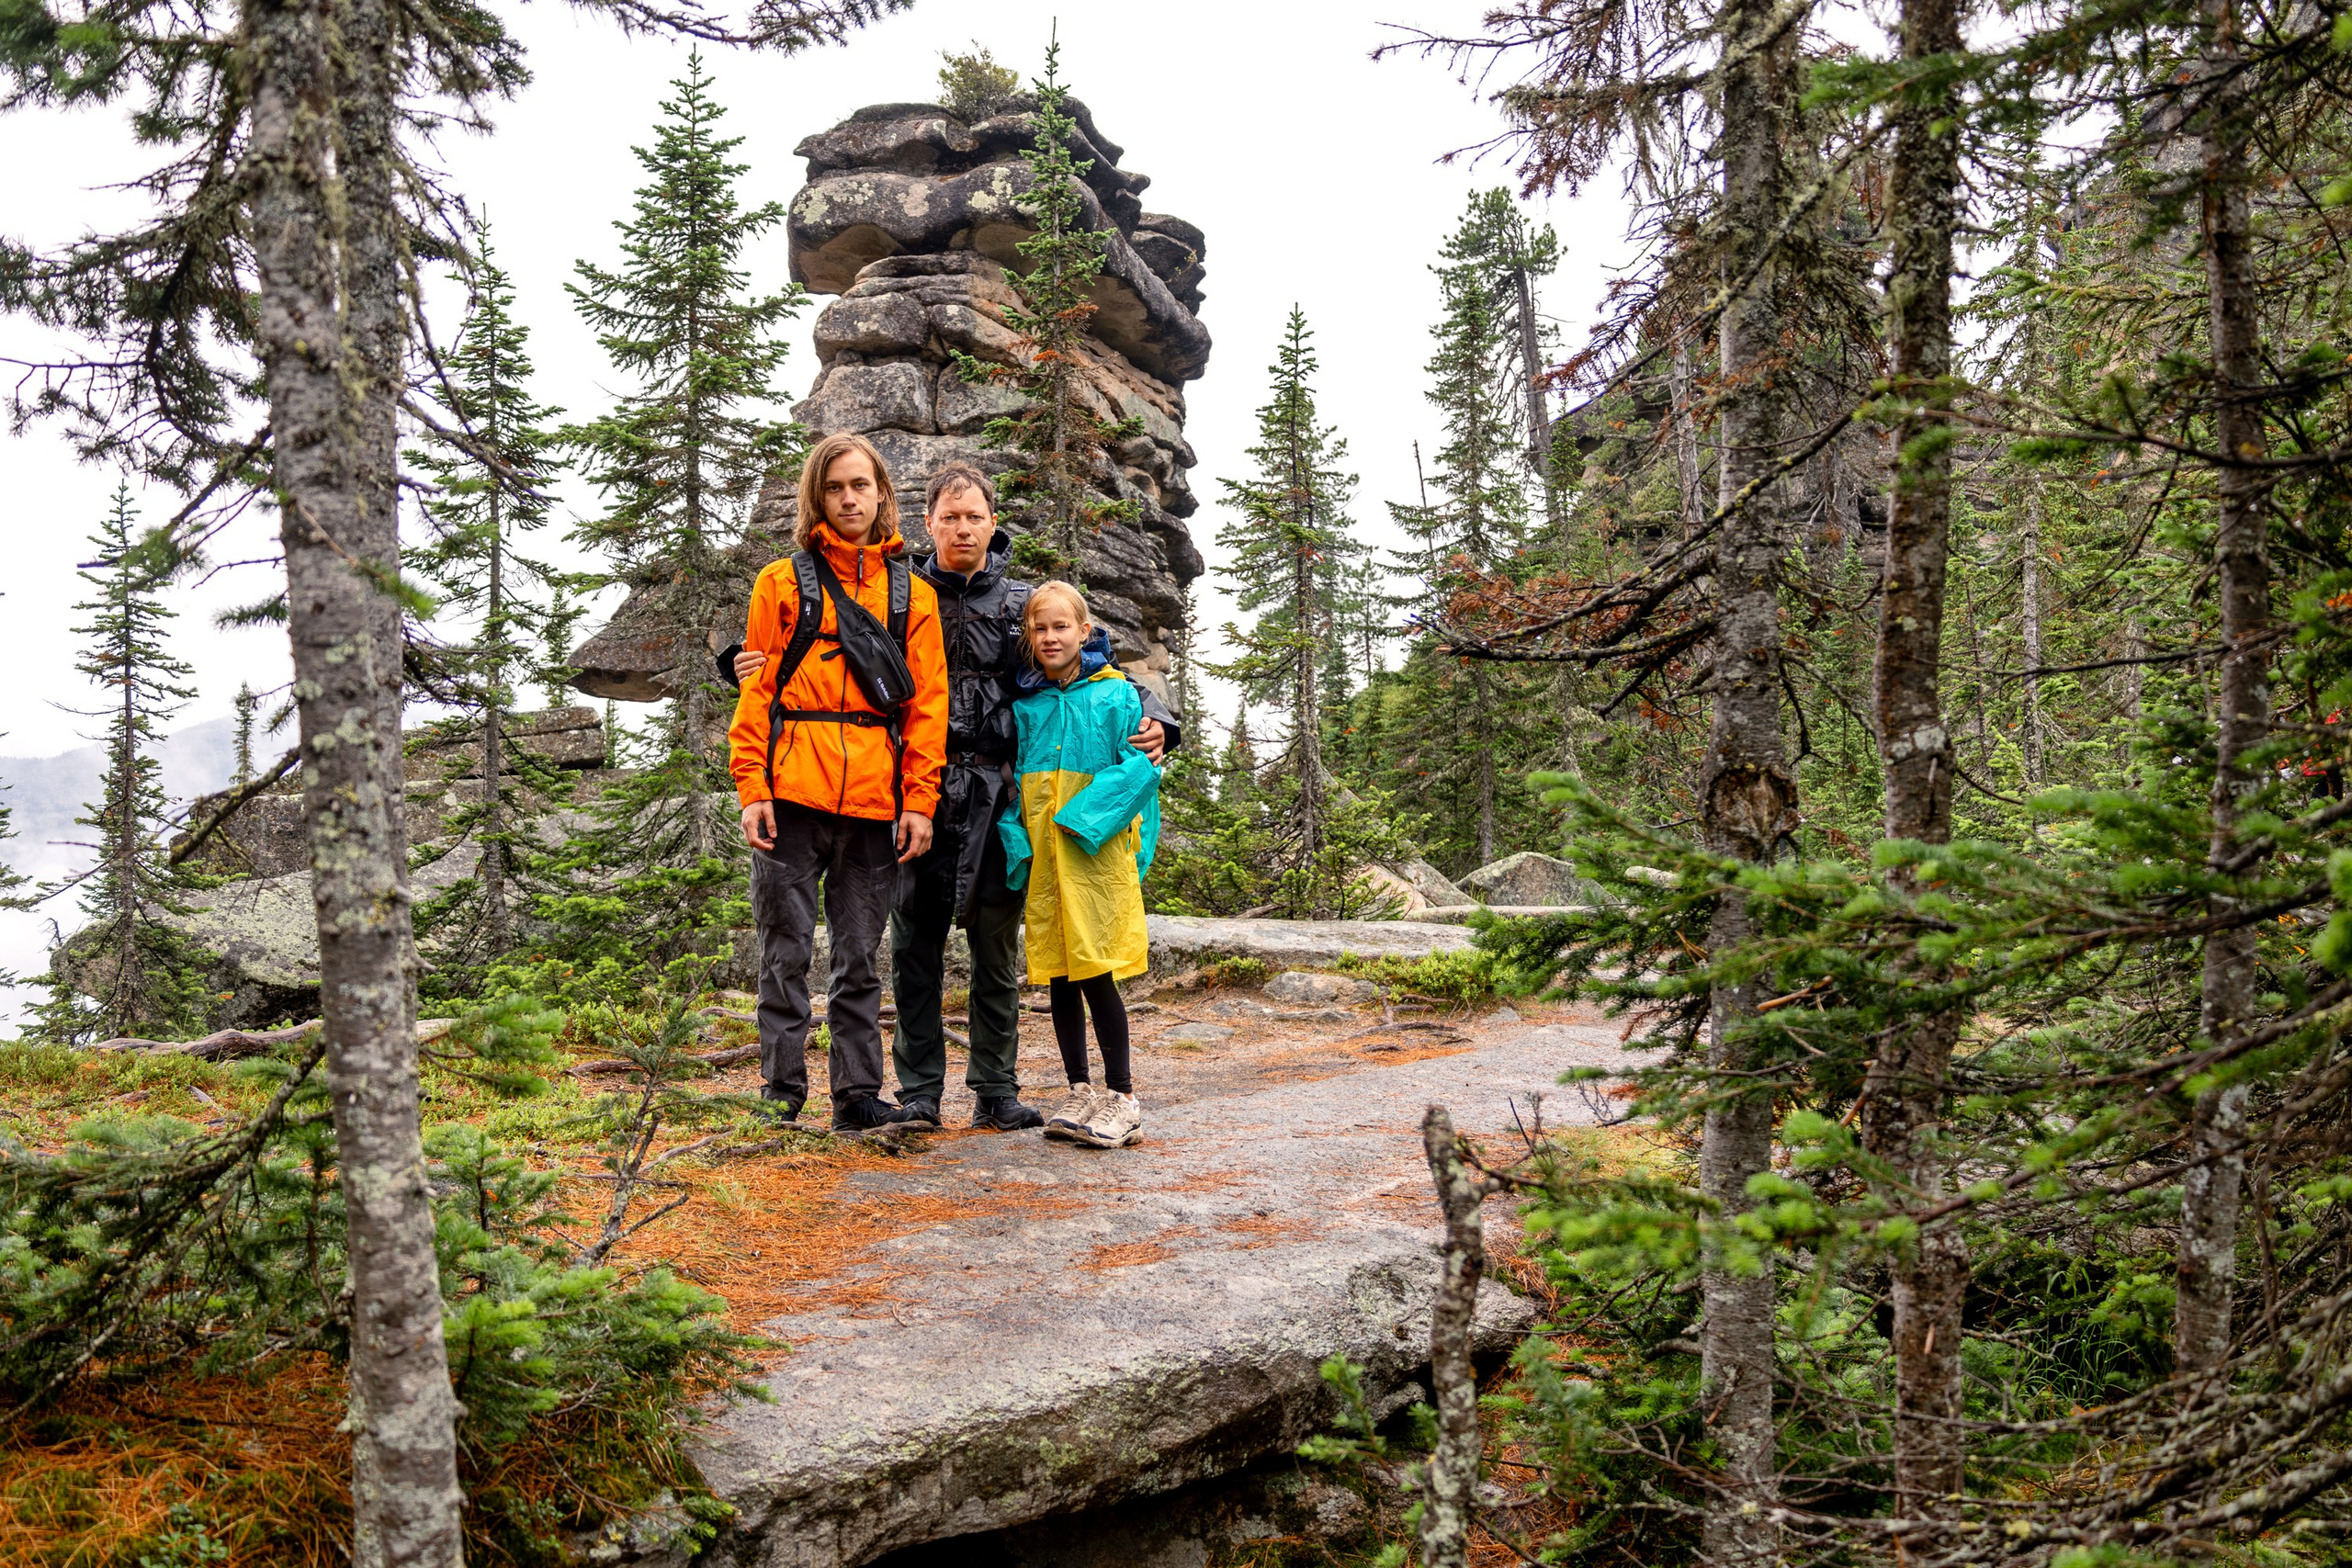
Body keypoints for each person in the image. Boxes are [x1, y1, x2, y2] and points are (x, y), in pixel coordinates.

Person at [719, 463, 1182, 1132]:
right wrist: (737, 658)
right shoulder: (903, 589)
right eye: (949, 517)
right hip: (917, 785)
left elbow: (1087, 659)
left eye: (974, 517)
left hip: (997, 790)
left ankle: (995, 1087)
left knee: (996, 943)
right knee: (913, 943)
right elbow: (816, 657)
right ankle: (921, 1091)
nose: (962, 528)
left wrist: (1156, 713)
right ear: (927, 521)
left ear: (994, 523)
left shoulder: (1020, 601)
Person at [725, 432, 948, 1133]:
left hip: (876, 799)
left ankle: (856, 1097)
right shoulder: (781, 582)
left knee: (858, 955)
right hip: (790, 794)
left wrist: (920, 802)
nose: (849, 498)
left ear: (883, 492)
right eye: (835, 487)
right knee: (784, 951)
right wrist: (752, 788)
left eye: (861, 485)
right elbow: (757, 695)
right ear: (816, 496)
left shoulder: (912, 593)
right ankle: (779, 1095)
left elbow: (926, 708)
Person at [1002, 581, 1160, 1150]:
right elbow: (1012, 792)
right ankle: (1079, 1089)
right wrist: (1019, 845)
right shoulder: (1026, 708)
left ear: (1085, 632)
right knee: (1060, 976)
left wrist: (1083, 819)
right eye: (1040, 628)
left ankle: (1123, 1098)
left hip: (1095, 859)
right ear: (1028, 636)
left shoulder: (1119, 697)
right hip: (1046, 864)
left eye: (1060, 626)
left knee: (1096, 972)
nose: (1050, 637)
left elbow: (1144, 774)